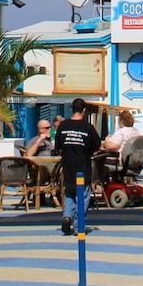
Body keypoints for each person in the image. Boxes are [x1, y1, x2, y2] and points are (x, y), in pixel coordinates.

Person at [54, 97, 102, 235]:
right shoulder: (88, 127)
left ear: (72, 109)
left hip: (67, 167)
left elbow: (58, 147)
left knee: (70, 193)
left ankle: (67, 216)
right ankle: (78, 225)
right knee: (83, 196)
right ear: (84, 110)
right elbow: (96, 147)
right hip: (83, 167)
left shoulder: (63, 126)